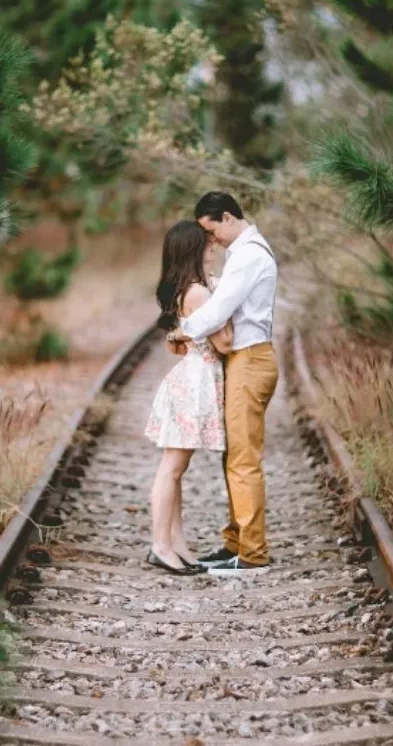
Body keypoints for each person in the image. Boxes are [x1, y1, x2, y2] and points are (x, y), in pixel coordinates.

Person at [168, 192, 278, 575]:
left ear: (227, 217)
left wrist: (183, 331)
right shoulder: (242, 254)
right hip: (243, 361)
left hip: (250, 361)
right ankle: (236, 541)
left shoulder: (248, 255)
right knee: (233, 456)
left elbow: (218, 311)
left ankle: (252, 553)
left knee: (243, 460)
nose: (210, 241)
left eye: (210, 230)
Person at [144, 219, 233, 576]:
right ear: (194, 249)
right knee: (172, 468)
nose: (212, 247)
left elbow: (180, 343)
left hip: (191, 377)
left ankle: (176, 543)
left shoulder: (191, 287)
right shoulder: (198, 292)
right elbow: (224, 342)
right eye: (206, 243)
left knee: (177, 469)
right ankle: (160, 545)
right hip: (194, 383)